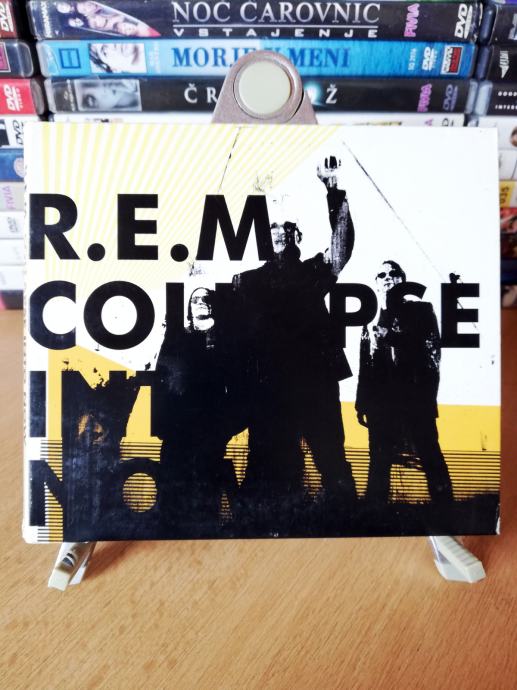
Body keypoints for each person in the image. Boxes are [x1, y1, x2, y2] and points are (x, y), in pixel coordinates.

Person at [230, 157, 357, 528]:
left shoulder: (314, 271)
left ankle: (348, 520)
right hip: (267, 388)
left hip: (316, 382)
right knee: (268, 459)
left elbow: (341, 250)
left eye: (287, 230)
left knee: (330, 455)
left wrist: (333, 191)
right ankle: (265, 523)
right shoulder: (246, 281)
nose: (281, 235)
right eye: (274, 231)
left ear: (298, 237)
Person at [355, 260, 454, 505]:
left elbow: (431, 353)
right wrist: (361, 403)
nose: (388, 277)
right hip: (380, 403)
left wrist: (392, 337)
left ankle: (446, 509)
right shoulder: (371, 319)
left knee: (429, 453)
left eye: (394, 273)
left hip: (414, 398)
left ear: (403, 279)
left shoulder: (421, 310)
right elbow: (365, 365)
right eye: (382, 275)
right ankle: (373, 512)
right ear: (376, 283)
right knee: (379, 461)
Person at [154, 288, 240, 535]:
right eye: (195, 299)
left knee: (206, 495)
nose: (201, 303)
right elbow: (161, 381)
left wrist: (224, 429)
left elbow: (236, 387)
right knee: (172, 493)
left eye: (206, 299)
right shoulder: (176, 339)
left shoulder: (226, 343)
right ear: (189, 306)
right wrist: (162, 424)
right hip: (177, 432)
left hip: (209, 433)